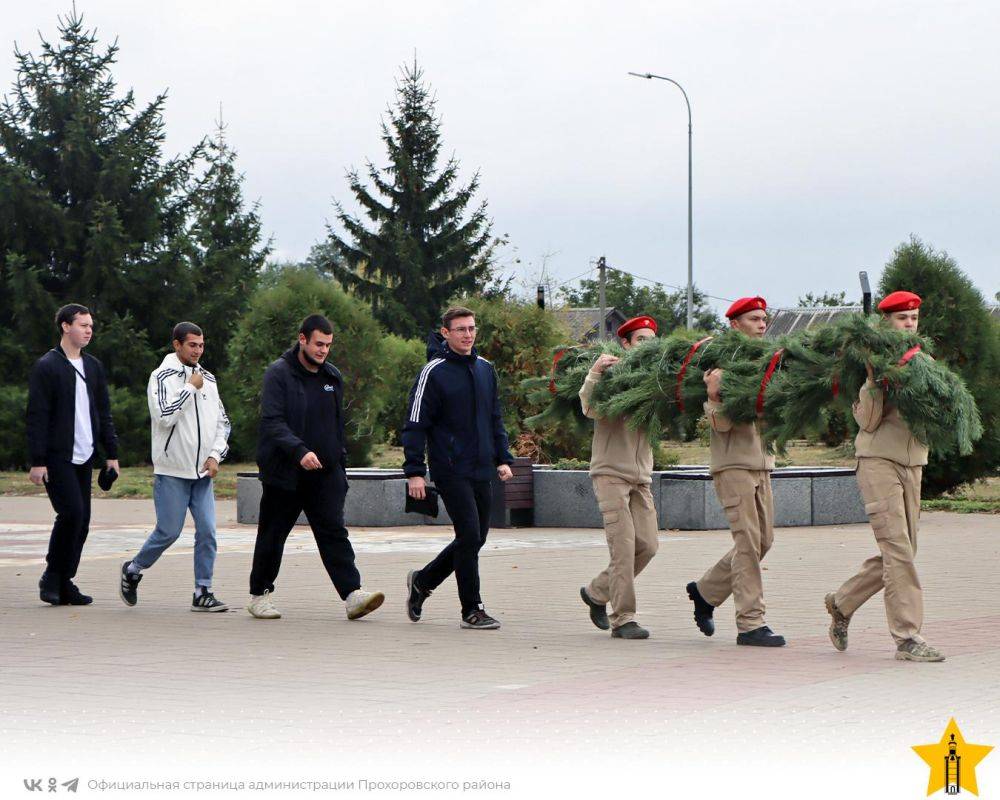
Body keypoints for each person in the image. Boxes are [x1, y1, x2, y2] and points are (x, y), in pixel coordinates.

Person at [824, 290, 944, 662]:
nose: (909, 324)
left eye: (913, 318)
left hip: (913, 463)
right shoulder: (871, 362)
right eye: (901, 318)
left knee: (903, 551)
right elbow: (867, 420)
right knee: (897, 550)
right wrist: (875, 381)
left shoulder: (923, 360)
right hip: (878, 460)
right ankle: (908, 637)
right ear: (885, 323)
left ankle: (842, 602)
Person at [246, 314, 384, 620]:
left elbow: (336, 426)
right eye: (318, 344)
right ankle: (259, 595)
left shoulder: (332, 377)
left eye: (328, 345)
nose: (323, 351)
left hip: (325, 473)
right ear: (302, 339)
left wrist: (340, 464)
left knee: (334, 531)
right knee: (273, 535)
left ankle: (352, 594)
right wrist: (299, 451)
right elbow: (272, 422)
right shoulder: (278, 374)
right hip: (285, 473)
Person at [402, 306, 515, 630]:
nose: (468, 334)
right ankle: (472, 609)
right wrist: (414, 471)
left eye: (472, 328)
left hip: (481, 467)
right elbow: (415, 425)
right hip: (449, 468)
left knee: (475, 539)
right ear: (446, 333)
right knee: (468, 534)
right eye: (461, 329)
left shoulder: (485, 369)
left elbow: (495, 418)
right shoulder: (433, 372)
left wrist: (502, 458)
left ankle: (423, 582)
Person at [685, 296, 787, 647]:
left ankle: (705, 592)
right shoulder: (720, 364)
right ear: (735, 324)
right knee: (747, 544)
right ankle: (751, 623)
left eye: (764, 319)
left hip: (761, 464)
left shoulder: (765, 364)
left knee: (764, 541)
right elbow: (721, 425)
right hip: (733, 465)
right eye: (754, 319)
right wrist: (713, 394)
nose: (762, 324)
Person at [119, 322, 231, 612]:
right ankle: (133, 569)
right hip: (172, 471)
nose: (198, 350)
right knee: (169, 531)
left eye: (201, 345)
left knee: (208, 531)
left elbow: (223, 424)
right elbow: (164, 416)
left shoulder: (210, 379)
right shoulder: (161, 377)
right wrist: (189, 389)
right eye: (192, 345)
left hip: (202, 474)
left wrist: (216, 456)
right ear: (177, 345)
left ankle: (202, 591)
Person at [27, 304, 119, 605]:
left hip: (85, 454)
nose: (89, 330)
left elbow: (103, 412)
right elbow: (37, 415)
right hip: (57, 456)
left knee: (83, 520)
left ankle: (65, 581)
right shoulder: (48, 366)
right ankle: (52, 578)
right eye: (83, 325)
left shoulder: (93, 366)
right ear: (66, 327)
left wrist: (111, 454)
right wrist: (37, 460)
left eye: (91, 325)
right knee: (71, 514)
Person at [578, 316, 660, 640]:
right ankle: (623, 618)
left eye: (652, 339)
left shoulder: (654, 380)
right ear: (626, 344)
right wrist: (595, 372)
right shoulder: (612, 376)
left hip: (641, 476)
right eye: (641, 339)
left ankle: (597, 591)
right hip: (610, 472)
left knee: (649, 545)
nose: (648, 344)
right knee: (623, 547)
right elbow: (589, 407)